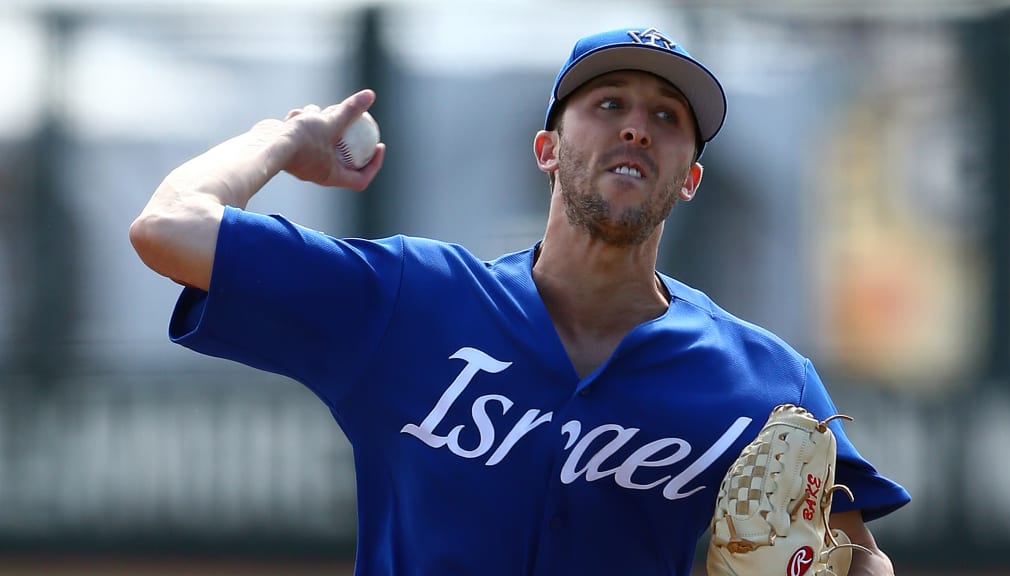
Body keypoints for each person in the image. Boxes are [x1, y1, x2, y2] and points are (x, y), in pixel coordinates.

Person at [130, 26, 910, 576]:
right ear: (548, 150)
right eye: (608, 104)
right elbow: (168, 227)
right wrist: (280, 138)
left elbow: (859, 554)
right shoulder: (411, 302)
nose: (637, 127)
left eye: (667, 118)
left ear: (691, 178)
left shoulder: (770, 388)